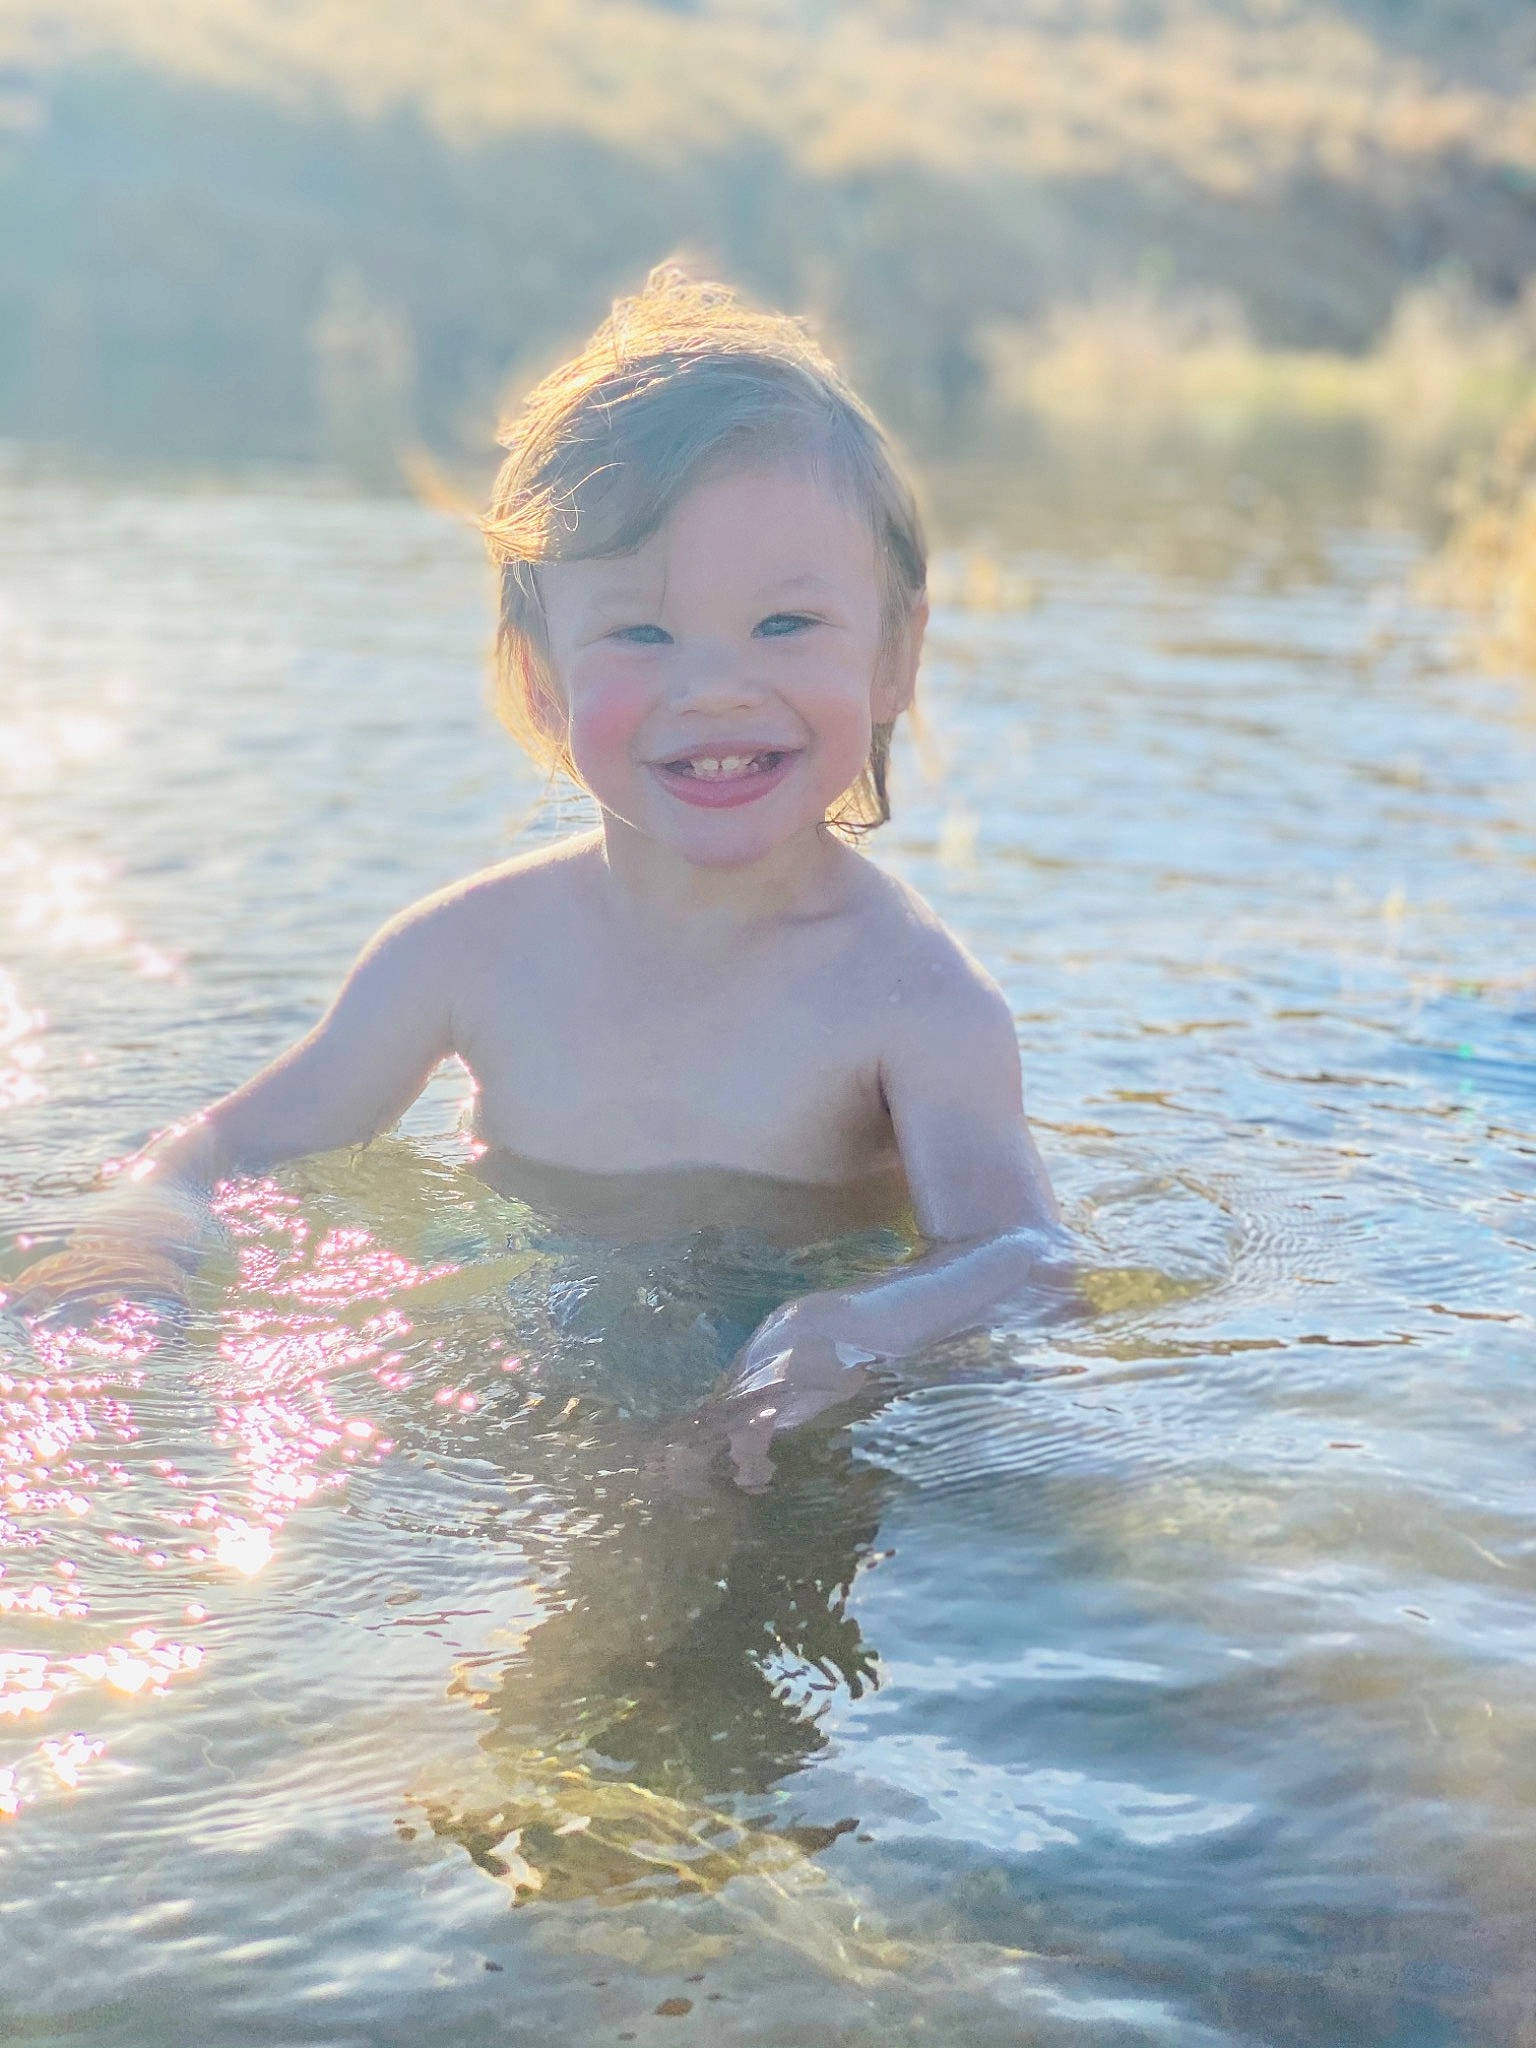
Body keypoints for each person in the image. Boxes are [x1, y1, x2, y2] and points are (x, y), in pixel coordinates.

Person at [8, 267, 1061, 1488]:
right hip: (527, 1370)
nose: (714, 685)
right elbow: (227, 1143)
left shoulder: (916, 1004)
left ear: (896, 657)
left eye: (785, 626)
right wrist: (146, 1222)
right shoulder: (469, 954)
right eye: (642, 632)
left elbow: (1022, 1257)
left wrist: (848, 1326)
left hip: (794, 1412)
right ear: (541, 682)